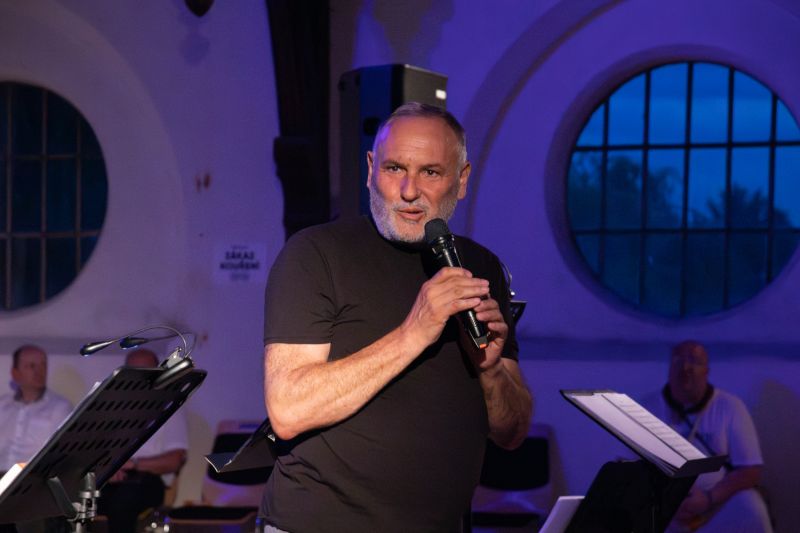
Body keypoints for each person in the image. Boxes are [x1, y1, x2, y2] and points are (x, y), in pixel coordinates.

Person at [260, 102, 533, 532]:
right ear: (371, 169)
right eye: (394, 169)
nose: (409, 191)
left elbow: (512, 432)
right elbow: (288, 410)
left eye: (430, 172)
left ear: (462, 179)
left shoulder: (480, 267)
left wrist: (490, 368)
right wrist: (414, 332)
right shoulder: (315, 254)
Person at [643, 340, 772, 532]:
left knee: (751, 506)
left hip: (714, 503)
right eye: (678, 361)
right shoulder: (646, 408)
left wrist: (708, 499)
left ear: (706, 371)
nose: (686, 368)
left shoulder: (730, 406)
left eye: (694, 361)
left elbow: (750, 469)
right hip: (661, 504)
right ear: (669, 369)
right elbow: (632, 465)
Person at [97, 349, 188, 533]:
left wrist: (133, 464)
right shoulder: (112, 408)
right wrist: (107, 468)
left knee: (123, 501)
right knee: (68, 500)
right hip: (112, 478)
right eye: (134, 372)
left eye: (146, 371)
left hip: (148, 479)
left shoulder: (169, 406)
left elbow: (175, 460)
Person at [0, 345, 72, 533]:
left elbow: (62, 454)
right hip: (1, 478)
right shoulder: (2, 405)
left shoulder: (60, 407)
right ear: (15, 373)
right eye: (31, 366)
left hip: (34, 480)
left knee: (28, 511)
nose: (39, 371)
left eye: (43, 365)